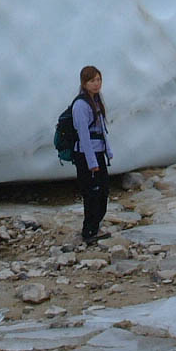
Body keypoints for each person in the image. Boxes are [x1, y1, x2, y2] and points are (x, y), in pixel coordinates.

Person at [71, 65, 113, 244]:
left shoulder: (95, 100)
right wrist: (91, 162)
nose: (96, 84)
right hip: (86, 155)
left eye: (98, 80)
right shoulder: (81, 105)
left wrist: (107, 151)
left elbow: (101, 129)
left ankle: (94, 227)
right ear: (84, 83)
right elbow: (84, 135)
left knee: (103, 191)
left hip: (98, 152)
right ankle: (89, 231)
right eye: (92, 81)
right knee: (92, 193)